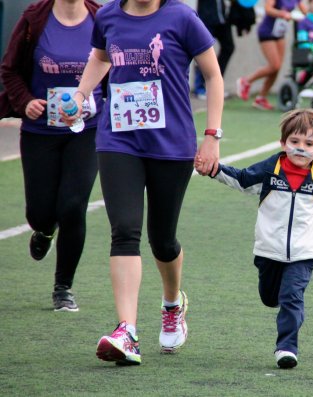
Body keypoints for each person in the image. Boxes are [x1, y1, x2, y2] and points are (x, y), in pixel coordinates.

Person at [62, 0, 224, 365]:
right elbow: (101, 57)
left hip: (171, 143)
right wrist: (80, 93)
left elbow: (213, 75)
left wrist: (212, 135)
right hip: (118, 138)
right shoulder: (106, 16)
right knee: (125, 230)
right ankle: (127, 331)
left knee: (162, 240)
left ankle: (172, 303)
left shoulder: (182, 17)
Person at [195, 108, 313, 368]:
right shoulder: (270, 169)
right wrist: (213, 170)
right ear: (283, 143)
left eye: (309, 144)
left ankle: (287, 348)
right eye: (295, 142)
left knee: (292, 296)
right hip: (269, 248)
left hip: (305, 249)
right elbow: (242, 179)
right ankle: (287, 307)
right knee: (270, 297)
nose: (301, 148)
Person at [0, 0, 104, 312]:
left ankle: (63, 287)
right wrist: (25, 102)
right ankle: (44, 229)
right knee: (41, 212)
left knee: (73, 206)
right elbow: (10, 69)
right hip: (40, 131)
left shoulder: (101, 18)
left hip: (87, 129)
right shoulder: (35, 17)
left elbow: (115, 66)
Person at [236, 0, 308, 110]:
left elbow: (305, 12)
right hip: (267, 31)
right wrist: (282, 14)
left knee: (277, 68)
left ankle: (261, 98)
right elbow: (268, 9)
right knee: (274, 65)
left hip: (280, 32)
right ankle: (246, 81)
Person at [193, 0, 236, 98]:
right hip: (206, 18)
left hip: (222, 18)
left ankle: (216, 85)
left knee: (229, 47)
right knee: (202, 51)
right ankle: (200, 88)